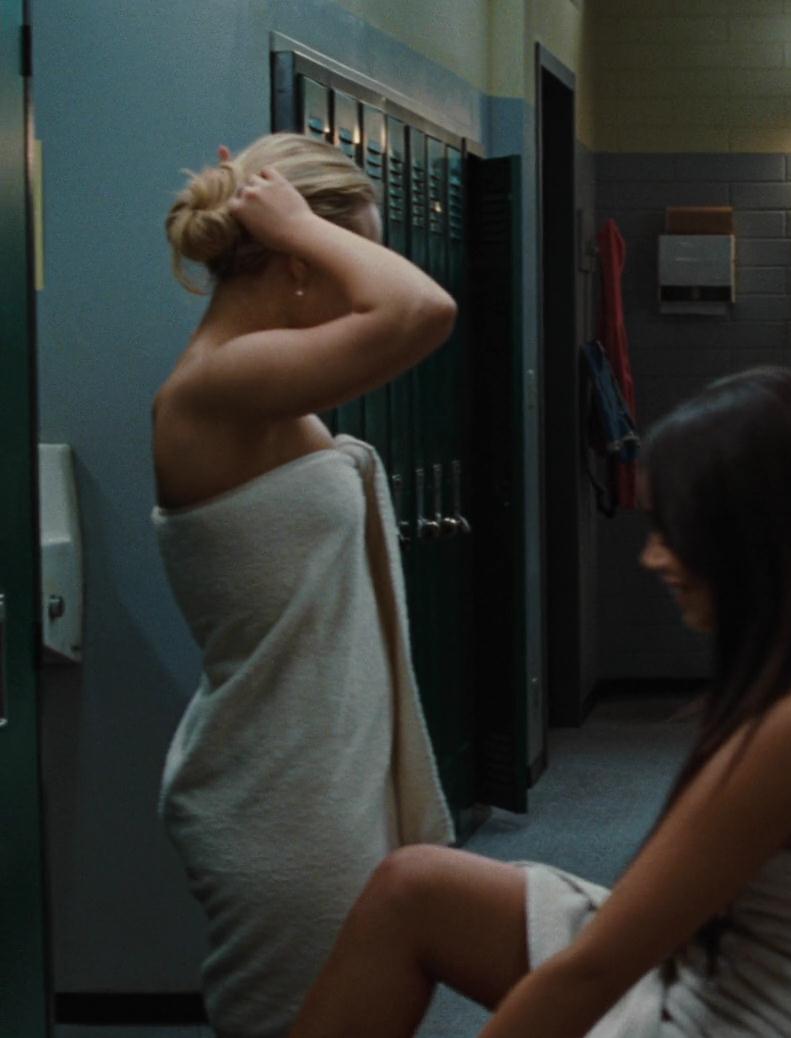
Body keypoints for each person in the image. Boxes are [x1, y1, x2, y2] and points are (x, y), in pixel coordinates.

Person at [288, 368, 791, 1038]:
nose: (654, 559)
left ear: (751, 533)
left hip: (754, 1017)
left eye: (673, 531)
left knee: (543, 956)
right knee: (414, 887)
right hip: (735, 972)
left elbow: (592, 973)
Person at [151, 132, 457, 1036]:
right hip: (283, 798)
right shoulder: (216, 385)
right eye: (350, 253)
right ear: (295, 263)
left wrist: (299, 227)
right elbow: (421, 309)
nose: (360, 277)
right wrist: (300, 224)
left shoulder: (256, 383)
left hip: (319, 772)